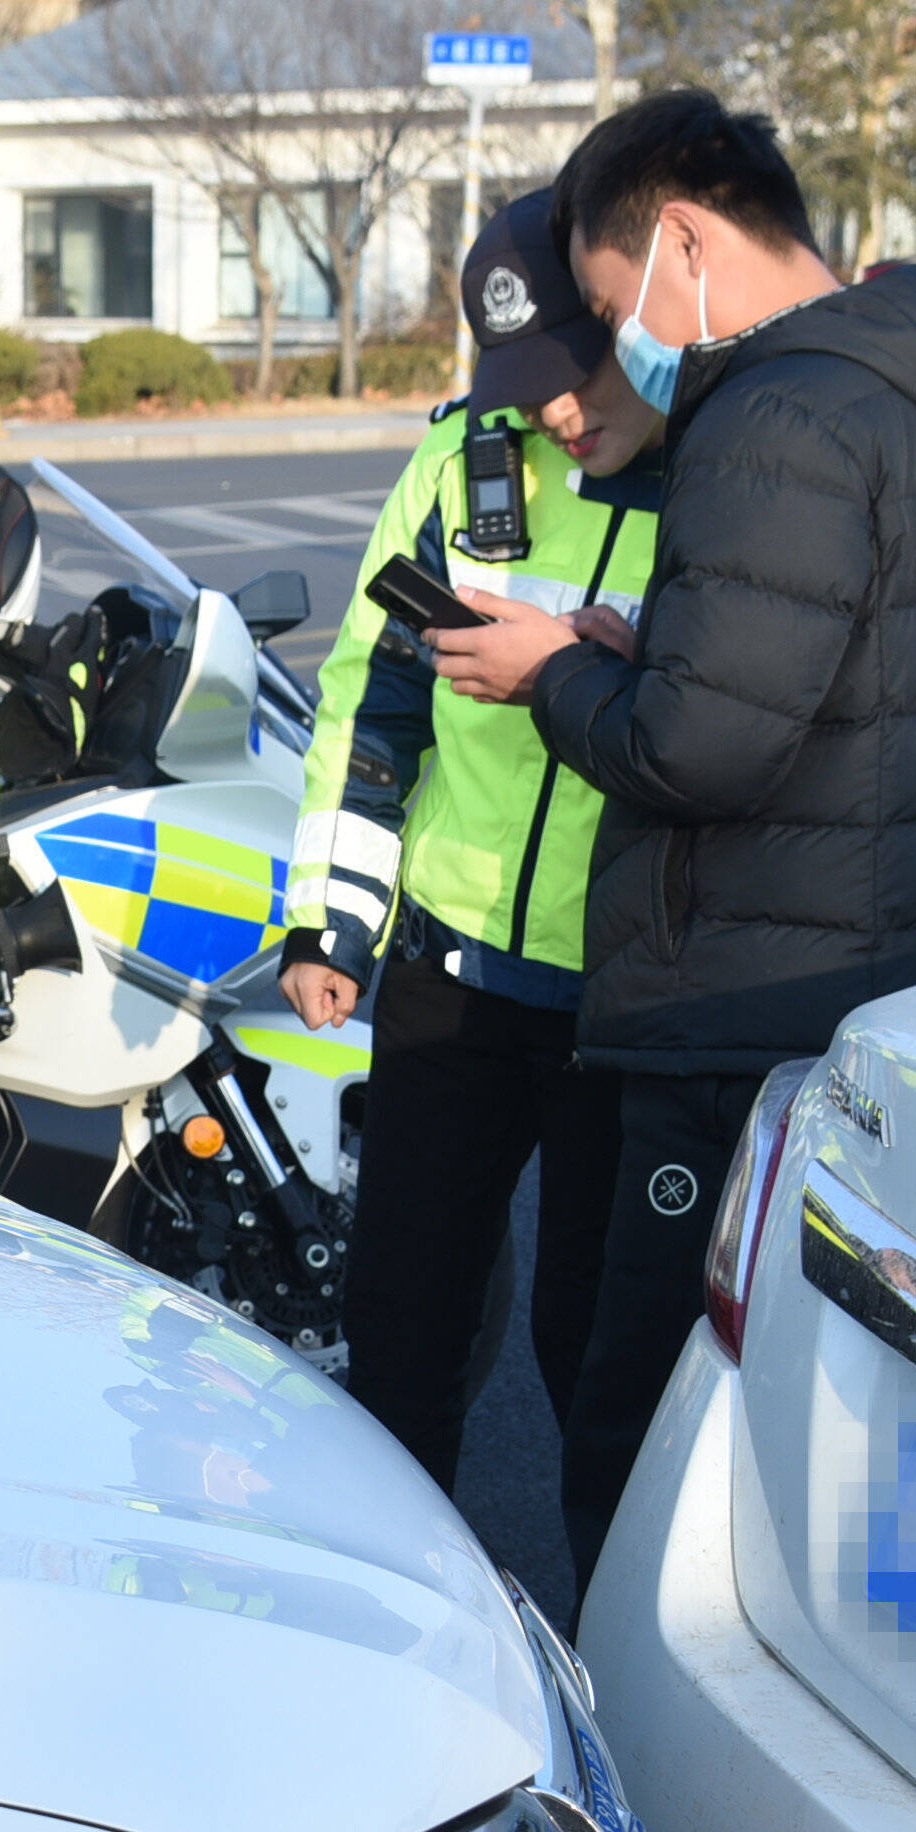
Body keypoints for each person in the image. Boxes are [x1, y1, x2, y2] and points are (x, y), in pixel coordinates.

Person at [424, 89, 916, 1600]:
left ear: (685, 238)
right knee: (814, 1425)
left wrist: (553, 671)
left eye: (619, 296)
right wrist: (655, 641)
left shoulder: (775, 412)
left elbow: (697, 749)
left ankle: (640, 1756)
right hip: (881, 964)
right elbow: (847, 677)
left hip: (733, 1010)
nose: (623, 340)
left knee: (641, 1437)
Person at [278, 189, 662, 1495]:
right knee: (401, 1338)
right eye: (524, 381)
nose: (555, 411)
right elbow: (372, 698)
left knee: (600, 1364)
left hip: (630, 997)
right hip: (450, 980)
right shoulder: (463, 460)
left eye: (577, 369)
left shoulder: (731, 481)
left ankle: (614, 1658)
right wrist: (333, 919)